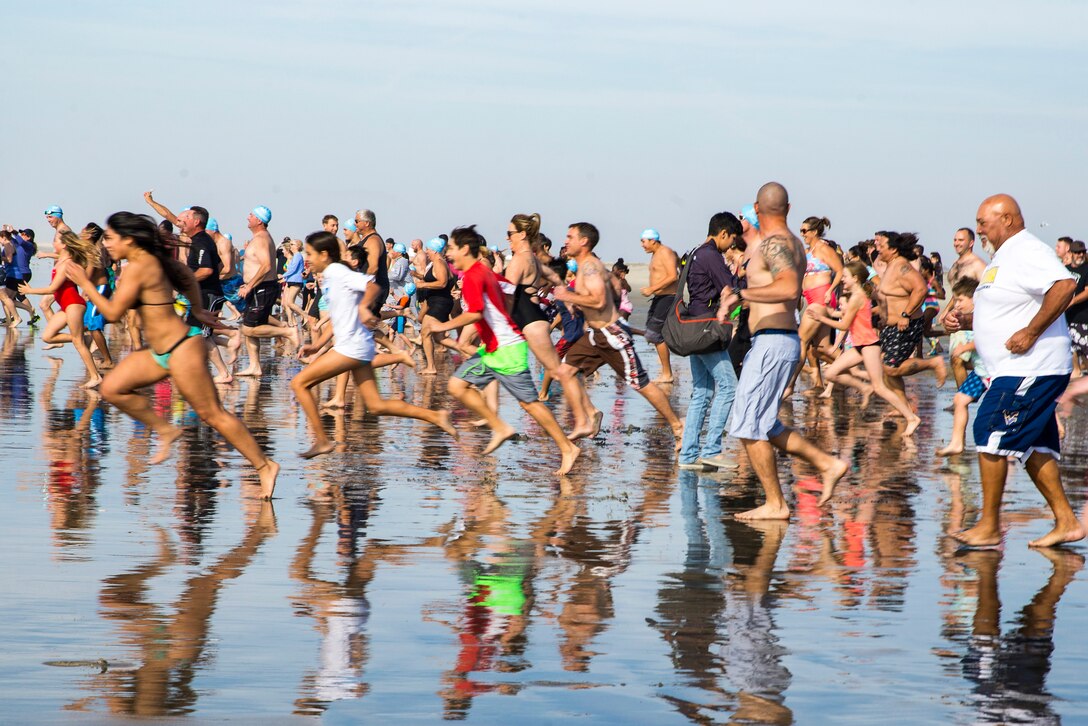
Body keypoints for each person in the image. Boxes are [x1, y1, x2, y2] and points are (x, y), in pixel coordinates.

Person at [60, 211, 279, 498]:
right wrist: (198, 309)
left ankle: (265, 465)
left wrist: (84, 283)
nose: (107, 244)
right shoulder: (148, 262)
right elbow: (186, 275)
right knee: (112, 388)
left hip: (181, 349)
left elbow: (112, 313)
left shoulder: (140, 267)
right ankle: (165, 430)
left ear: (129, 239)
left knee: (213, 414)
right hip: (159, 351)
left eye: (111, 238)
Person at [948, 194, 1083, 549]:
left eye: (983, 222)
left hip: (1031, 366)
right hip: (1013, 367)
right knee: (1033, 448)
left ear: (1007, 219)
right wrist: (963, 319)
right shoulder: (1002, 257)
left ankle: (990, 526)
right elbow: (1008, 305)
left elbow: (1065, 285)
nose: (978, 229)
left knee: (989, 429)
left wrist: (1032, 331)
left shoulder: (1025, 248)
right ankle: (1067, 522)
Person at [715, 182, 848, 519]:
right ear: (788, 209)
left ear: (757, 210)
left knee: (746, 425)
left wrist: (742, 296)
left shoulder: (775, 243)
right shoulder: (788, 243)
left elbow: (788, 288)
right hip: (776, 339)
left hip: (774, 340)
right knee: (764, 423)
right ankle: (827, 463)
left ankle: (776, 503)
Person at [429, 225, 580, 475]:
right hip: (493, 349)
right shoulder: (482, 272)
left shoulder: (476, 275)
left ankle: (567, 448)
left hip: (507, 348)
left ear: (465, 249)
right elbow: (509, 289)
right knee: (456, 385)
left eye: (452, 248)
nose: (449, 253)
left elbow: (475, 312)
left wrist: (443, 325)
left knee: (530, 404)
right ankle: (499, 426)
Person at [290, 231, 455, 458]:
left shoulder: (337, 271)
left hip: (351, 347)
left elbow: (372, 286)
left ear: (324, 254)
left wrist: (365, 307)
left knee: (299, 384)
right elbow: (339, 316)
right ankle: (436, 416)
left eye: (309, 253)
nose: (306, 258)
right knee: (376, 405)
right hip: (356, 344)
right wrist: (317, 346)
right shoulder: (331, 276)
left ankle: (322, 440)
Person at [554, 223, 683, 446]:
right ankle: (589, 416)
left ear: (584, 241)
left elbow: (599, 300)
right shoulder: (592, 267)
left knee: (639, 383)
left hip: (612, 335)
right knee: (565, 371)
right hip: (596, 335)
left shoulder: (590, 268)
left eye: (570, 237)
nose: (566, 241)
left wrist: (570, 296)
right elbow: (614, 287)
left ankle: (677, 425)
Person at [503, 213, 595, 438]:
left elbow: (506, 297)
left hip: (531, 322)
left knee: (560, 371)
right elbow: (555, 278)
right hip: (533, 320)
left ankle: (587, 416)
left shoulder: (519, 260)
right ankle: (589, 413)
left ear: (522, 234)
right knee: (559, 370)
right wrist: (567, 299)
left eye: (510, 234)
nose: (507, 238)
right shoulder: (532, 259)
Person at [805, 261, 922, 434]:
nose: (842, 280)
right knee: (830, 373)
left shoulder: (857, 297)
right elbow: (880, 298)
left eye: (844, 277)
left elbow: (844, 325)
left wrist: (820, 318)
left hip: (869, 345)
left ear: (855, 278)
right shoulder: (862, 293)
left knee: (880, 387)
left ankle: (912, 418)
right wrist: (883, 315)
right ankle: (864, 387)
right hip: (859, 345)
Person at [677, 212, 741, 470]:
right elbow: (729, 292)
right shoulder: (711, 255)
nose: (732, 246)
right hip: (707, 328)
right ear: (723, 233)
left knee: (702, 392)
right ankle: (712, 449)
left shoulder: (693, 252)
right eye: (732, 239)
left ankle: (689, 456)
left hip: (693, 326)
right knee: (729, 387)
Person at [874, 231, 947, 414]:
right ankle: (903, 406)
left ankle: (933, 363)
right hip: (891, 326)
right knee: (886, 367)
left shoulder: (902, 267)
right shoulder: (891, 265)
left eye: (881, 245)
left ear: (893, 249)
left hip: (905, 325)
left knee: (891, 368)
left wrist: (906, 314)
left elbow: (921, 289)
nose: (877, 248)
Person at [19, 229, 103, 388]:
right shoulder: (64, 260)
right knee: (48, 336)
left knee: (78, 342)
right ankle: (81, 336)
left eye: (56, 241)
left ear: (64, 245)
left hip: (73, 304)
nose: (53, 243)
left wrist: (30, 291)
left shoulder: (67, 263)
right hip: (67, 306)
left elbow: (53, 288)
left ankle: (95, 376)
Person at [175, 205, 235, 383]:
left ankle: (224, 372)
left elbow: (207, 270)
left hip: (208, 295)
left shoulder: (201, 241)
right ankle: (206, 367)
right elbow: (219, 265)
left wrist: (185, 281)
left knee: (201, 335)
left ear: (196, 222)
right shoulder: (200, 240)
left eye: (186, 218)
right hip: (203, 293)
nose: (181, 223)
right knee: (195, 333)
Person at [237, 206, 299, 377]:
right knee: (251, 327)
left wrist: (250, 286)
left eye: (251, 215)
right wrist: (247, 284)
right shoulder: (258, 238)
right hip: (257, 288)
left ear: (259, 220)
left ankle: (287, 331)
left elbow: (266, 266)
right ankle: (254, 366)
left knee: (248, 329)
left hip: (262, 288)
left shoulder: (262, 239)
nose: (248, 217)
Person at [786, 216, 843, 395]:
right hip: (810, 298)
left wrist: (830, 290)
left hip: (821, 298)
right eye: (801, 230)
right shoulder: (808, 250)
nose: (802, 234)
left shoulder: (824, 249)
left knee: (801, 340)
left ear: (814, 231)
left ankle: (789, 385)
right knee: (821, 348)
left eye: (804, 230)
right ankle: (855, 366)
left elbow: (840, 270)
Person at [936, 278, 989, 456]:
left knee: (1005, 408)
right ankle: (956, 443)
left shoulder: (984, 313)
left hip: (997, 370)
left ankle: (1010, 451)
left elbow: (987, 338)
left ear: (974, 298)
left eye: (960, 300)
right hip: (981, 371)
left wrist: (964, 348)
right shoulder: (969, 316)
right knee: (960, 400)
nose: (956, 304)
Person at [638, 228, 680, 384]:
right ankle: (666, 371)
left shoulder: (665, 252)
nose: (642, 245)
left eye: (643, 241)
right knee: (655, 334)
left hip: (668, 297)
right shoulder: (656, 254)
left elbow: (673, 276)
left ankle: (667, 374)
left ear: (652, 240)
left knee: (654, 334)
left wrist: (651, 289)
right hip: (660, 297)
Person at [1062, 240, 1088, 378]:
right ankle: (1076, 372)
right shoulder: (1065, 270)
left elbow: (1087, 291)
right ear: (1071, 253)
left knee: (1085, 349)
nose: (1080, 255)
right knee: (1072, 349)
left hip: (1084, 318)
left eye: (1083, 252)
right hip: (1068, 318)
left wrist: (1072, 301)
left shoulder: (1087, 269)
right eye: (1077, 252)